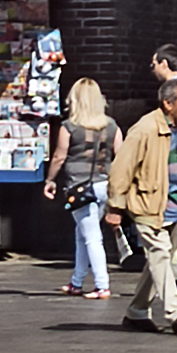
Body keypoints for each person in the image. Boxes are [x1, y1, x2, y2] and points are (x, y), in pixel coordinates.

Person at [113, 63, 177, 335]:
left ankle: (137, 312)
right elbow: (122, 168)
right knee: (160, 255)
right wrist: (115, 205)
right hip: (148, 204)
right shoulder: (144, 129)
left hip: (175, 206)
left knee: (157, 262)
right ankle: (175, 312)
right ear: (167, 103)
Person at [56, 67, 116, 312]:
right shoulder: (111, 125)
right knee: (83, 233)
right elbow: (120, 155)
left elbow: (60, 156)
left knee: (91, 236)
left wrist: (50, 181)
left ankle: (102, 284)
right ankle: (77, 281)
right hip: (105, 183)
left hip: (79, 185)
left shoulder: (69, 126)